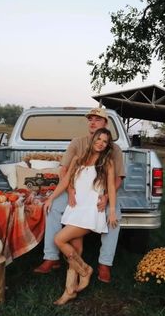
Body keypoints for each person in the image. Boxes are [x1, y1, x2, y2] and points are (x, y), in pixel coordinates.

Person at [34, 107, 125, 283]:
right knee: (52, 209)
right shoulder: (77, 143)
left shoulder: (113, 150)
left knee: (115, 217)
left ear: (105, 124)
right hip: (74, 191)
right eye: (90, 119)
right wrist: (69, 192)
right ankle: (51, 257)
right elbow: (64, 172)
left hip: (99, 194)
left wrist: (106, 197)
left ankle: (105, 263)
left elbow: (118, 179)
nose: (92, 122)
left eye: (97, 119)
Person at [44, 127, 117, 305]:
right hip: (75, 208)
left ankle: (85, 270)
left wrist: (112, 209)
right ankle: (70, 290)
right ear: (92, 140)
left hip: (90, 211)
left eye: (105, 141)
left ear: (107, 145)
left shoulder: (107, 162)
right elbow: (65, 182)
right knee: (75, 251)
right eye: (98, 139)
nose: (100, 143)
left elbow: (112, 187)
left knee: (59, 239)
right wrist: (51, 198)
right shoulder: (78, 159)